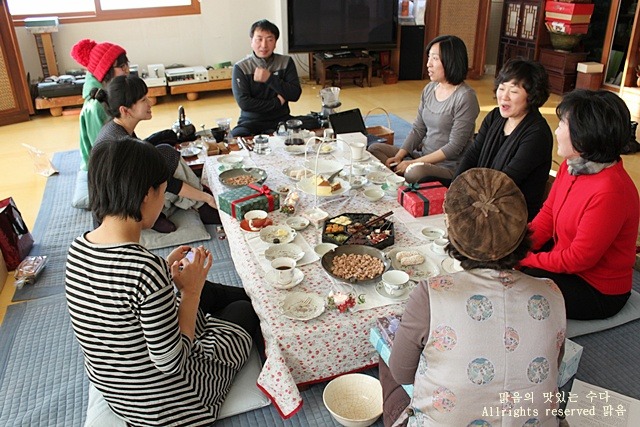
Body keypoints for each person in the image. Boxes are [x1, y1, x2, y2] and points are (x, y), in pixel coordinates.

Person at [65, 137, 260, 426]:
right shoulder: (145, 269)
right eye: (163, 190)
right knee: (243, 312)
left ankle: (253, 297)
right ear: (147, 194)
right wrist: (190, 291)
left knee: (210, 292)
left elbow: (121, 302)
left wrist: (169, 277)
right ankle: (255, 303)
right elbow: (171, 362)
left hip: (121, 390)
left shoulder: (77, 248)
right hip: (170, 401)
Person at [380, 168, 566, 426]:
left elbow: (402, 373)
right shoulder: (552, 293)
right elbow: (553, 365)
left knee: (387, 354)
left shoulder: (430, 294)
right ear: (522, 228)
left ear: (451, 229)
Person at [520, 90, 639, 320]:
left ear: (585, 136)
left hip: (598, 289)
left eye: (562, 124)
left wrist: (524, 258)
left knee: (522, 286)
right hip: (567, 261)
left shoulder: (611, 191)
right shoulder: (572, 166)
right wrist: (518, 245)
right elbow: (548, 216)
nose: (556, 130)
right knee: (510, 270)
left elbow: (578, 259)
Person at [94, 74, 220, 232]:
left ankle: (195, 201)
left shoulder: (115, 128)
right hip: (122, 210)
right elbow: (165, 181)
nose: (149, 103)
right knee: (167, 155)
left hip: (120, 198)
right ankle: (200, 204)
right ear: (125, 110)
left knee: (163, 150)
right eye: (143, 100)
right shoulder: (121, 144)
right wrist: (205, 197)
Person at [368, 35, 479, 185]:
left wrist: (414, 164)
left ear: (451, 60)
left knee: (415, 173)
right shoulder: (429, 89)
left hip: (448, 166)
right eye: (429, 58)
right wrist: (400, 156)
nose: (428, 64)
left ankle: (401, 178)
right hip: (422, 156)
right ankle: (400, 177)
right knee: (374, 149)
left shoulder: (465, 97)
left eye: (435, 59)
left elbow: (454, 148)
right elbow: (418, 129)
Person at [455, 59, 553, 220]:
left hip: (511, 216)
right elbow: (472, 155)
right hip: (483, 201)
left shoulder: (537, 134)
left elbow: (505, 180)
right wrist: (455, 189)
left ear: (532, 96)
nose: (504, 97)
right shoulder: (495, 116)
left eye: (513, 91)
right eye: (501, 88)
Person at [230, 19, 302, 137]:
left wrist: (269, 78)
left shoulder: (285, 62)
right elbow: (245, 103)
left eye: (269, 40)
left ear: (275, 43)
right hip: (251, 122)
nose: (264, 45)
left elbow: (295, 94)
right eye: (259, 39)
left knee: (313, 124)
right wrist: (277, 102)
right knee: (237, 135)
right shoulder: (241, 67)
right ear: (251, 41)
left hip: (281, 119)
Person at [70, 38, 130, 171]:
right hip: (101, 170)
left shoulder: (109, 93)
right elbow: (103, 151)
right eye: (122, 67)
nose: (127, 71)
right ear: (106, 70)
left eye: (127, 65)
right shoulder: (95, 106)